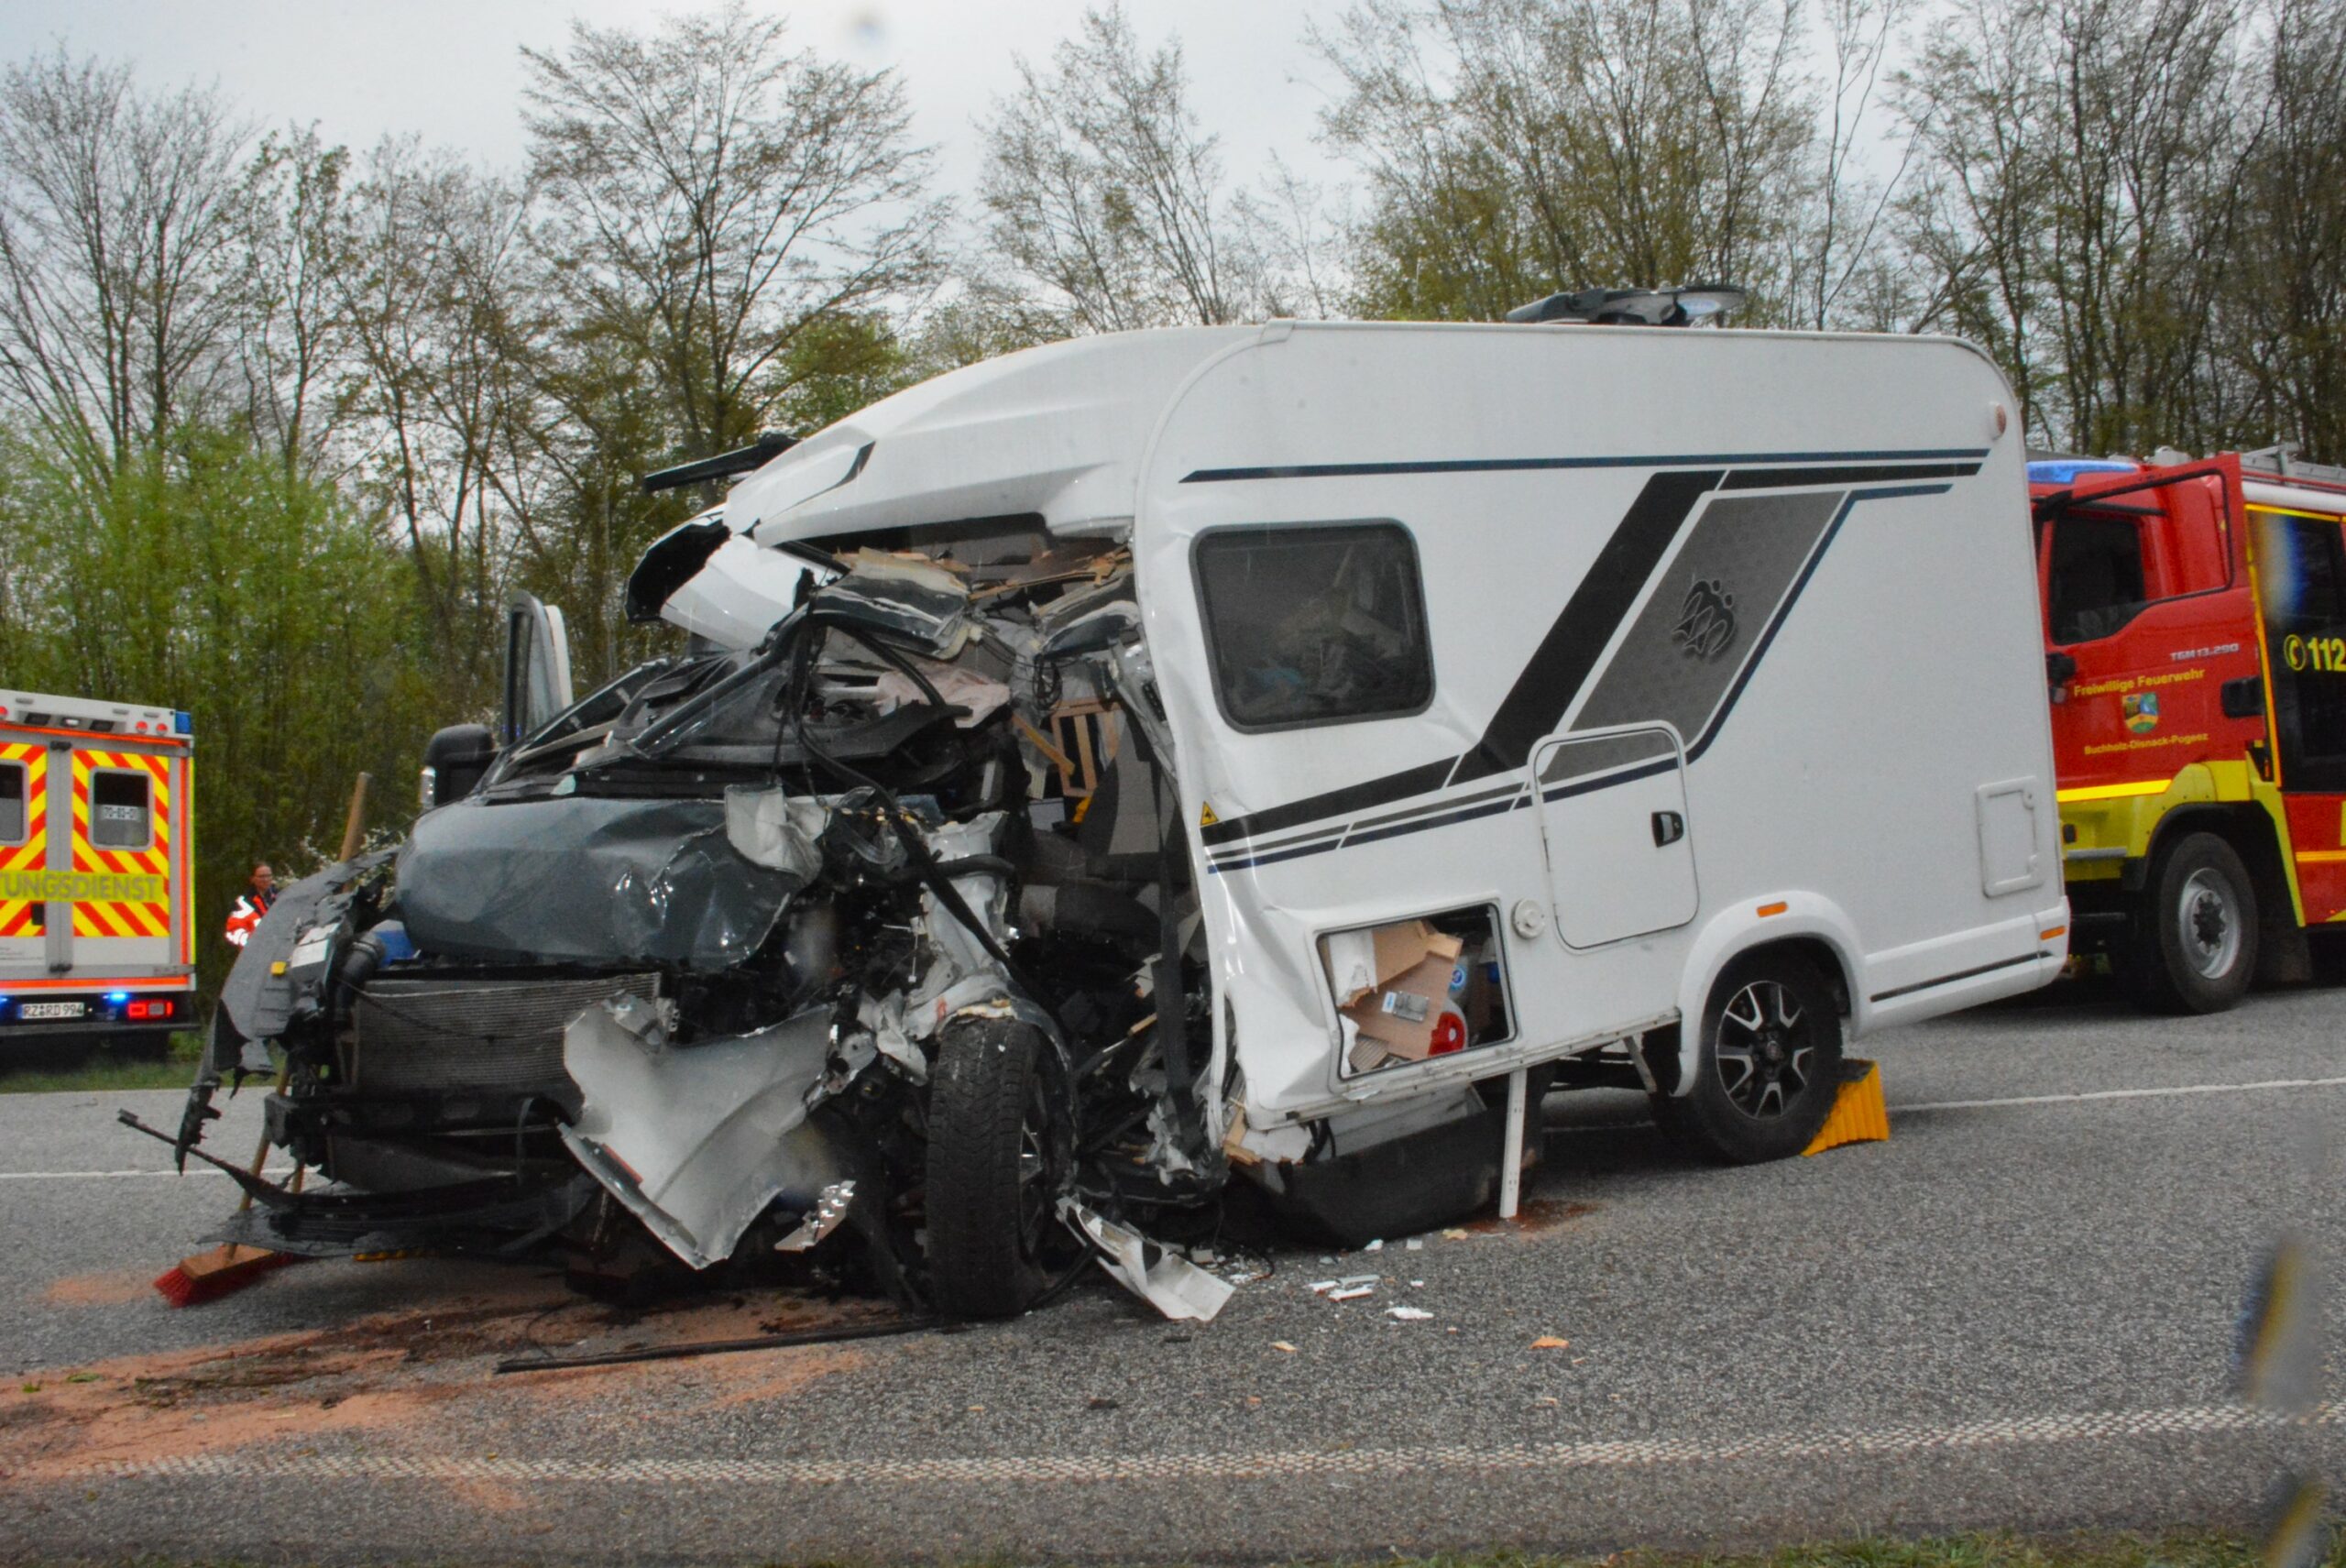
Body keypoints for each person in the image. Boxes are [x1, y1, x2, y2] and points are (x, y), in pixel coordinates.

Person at [224, 862, 277, 948]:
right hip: (255, 952)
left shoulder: (280, 896)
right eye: (262, 876)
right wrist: (252, 942)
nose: (266, 879)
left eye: (268, 875)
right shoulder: (242, 903)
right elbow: (233, 932)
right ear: (252, 879)